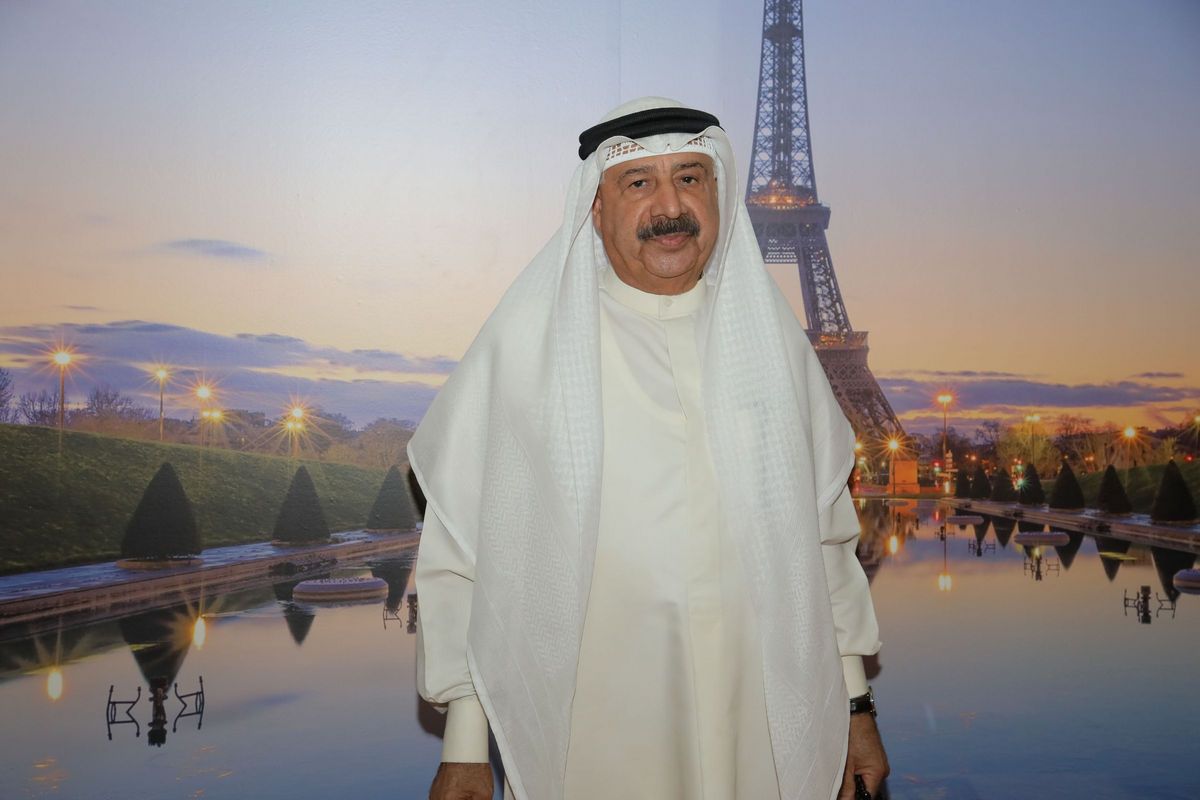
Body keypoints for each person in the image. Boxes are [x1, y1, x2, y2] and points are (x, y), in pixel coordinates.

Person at [410, 97, 887, 800]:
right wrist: (464, 744)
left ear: (718, 195)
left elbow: (825, 544)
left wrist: (854, 707)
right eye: (639, 183)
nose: (670, 206)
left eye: (690, 178)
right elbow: (467, 558)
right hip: (596, 730)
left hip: (762, 724)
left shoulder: (773, 347)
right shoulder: (528, 352)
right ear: (596, 208)